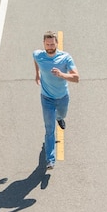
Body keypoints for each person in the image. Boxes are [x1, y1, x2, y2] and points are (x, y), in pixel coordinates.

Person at [33, 31, 79, 170]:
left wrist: (61, 74)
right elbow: (35, 59)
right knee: (49, 129)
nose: (50, 47)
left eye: (52, 44)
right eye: (47, 44)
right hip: (46, 98)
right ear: (44, 44)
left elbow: (76, 78)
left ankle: (60, 118)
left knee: (61, 114)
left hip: (62, 97)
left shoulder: (65, 58)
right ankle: (50, 160)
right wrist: (37, 74)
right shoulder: (38, 55)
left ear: (57, 43)